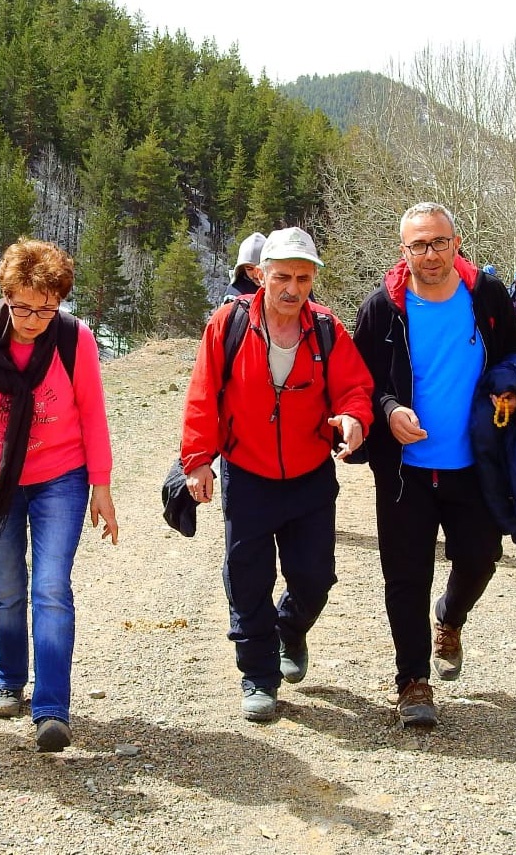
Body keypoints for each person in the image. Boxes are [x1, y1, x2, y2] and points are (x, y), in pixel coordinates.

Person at [0, 238, 118, 753]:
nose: (35, 318)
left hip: (62, 477)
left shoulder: (74, 341)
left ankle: (53, 708)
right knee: (7, 586)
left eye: (47, 307)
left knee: (51, 587)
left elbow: (93, 414)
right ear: (5, 294)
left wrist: (101, 484)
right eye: (24, 306)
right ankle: (9, 680)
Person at [179, 226, 374, 722]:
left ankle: (290, 630)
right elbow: (203, 394)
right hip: (247, 472)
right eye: (282, 276)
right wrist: (198, 459)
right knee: (247, 580)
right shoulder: (229, 324)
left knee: (315, 578)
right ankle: (259, 675)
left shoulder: (327, 328)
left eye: (303, 278)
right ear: (260, 275)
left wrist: (353, 417)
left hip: (310, 475)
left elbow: (354, 387)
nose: (293, 288)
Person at [352, 203, 516, 727]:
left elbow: (514, 357)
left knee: (480, 557)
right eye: (418, 246)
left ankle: (450, 617)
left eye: (439, 242)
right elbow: (362, 383)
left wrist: (510, 390)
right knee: (405, 575)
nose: (430, 254)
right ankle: (412, 682)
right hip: (405, 470)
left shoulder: (487, 296)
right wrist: (388, 409)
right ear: (403, 251)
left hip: (474, 464)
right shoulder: (382, 308)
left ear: (456, 242)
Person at [222, 232, 266, 303]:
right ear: (242, 268)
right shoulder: (235, 295)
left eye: (260, 268)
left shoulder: (278, 286)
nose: (256, 275)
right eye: (249, 269)